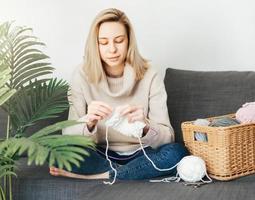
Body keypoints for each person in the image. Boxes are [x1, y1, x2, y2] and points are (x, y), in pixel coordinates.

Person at [49, 8, 188, 181]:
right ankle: (132, 173)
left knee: (177, 153)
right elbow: (68, 136)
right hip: (100, 153)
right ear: (95, 45)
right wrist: (89, 122)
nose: (112, 49)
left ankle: (108, 175)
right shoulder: (81, 75)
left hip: (142, 153)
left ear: (128, 41)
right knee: (59, 154)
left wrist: (145, 125)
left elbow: (168, 138)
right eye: (104, 42)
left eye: (119, 40)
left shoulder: (150, 74)